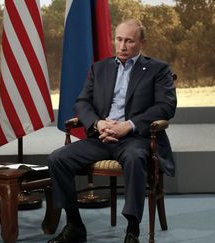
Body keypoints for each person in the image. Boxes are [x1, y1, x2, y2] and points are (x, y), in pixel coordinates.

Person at [47, 19, 177, 243]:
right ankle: (75, 225)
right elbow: (82, 103)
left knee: (136, 158)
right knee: (57, 159)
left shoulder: (158, 69)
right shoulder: (100, 68)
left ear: (142, 43)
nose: (122, 46)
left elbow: (166, 106)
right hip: (102, 138)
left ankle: (132, 229)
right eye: (119, 39)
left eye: (129, 41)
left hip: (135, 138)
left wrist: (128, 125)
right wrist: (98, 124)